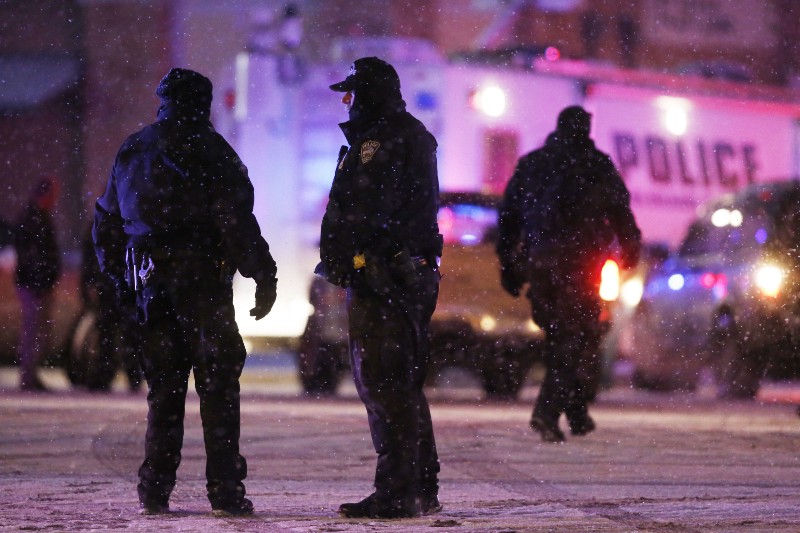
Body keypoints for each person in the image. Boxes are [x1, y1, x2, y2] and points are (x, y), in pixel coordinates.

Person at [93, 68, 278, 517]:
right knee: (218, 392)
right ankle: (226, 492)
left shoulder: (134, 149)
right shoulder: (214, 152)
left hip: (151, 290)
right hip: (204, 291)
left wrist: (118, 280)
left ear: (163, 100)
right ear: (204, 103)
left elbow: (106, 222)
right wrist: (262, 273)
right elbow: (236, 222)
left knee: (165, 392)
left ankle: (154, 490)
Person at [319, 57, 444, 518]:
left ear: (369, 94)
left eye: (352, 94)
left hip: (386, 277)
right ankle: (419, 486)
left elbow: (374, 211)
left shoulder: (386, 139)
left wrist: (361, 255)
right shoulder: (397, 136)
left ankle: (398, 491)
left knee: (385, 382)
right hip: (390, 273)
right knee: (401, 384)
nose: (347, 103)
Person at [496, 105, 641, 442]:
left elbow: (509, 219)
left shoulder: (533, 165)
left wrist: (509, 264)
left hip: (542, 267)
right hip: (580, 266)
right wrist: (631, 252)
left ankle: (575, 413)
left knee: (563, 338)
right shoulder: (596, 166)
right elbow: (621, 214)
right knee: (576, 339)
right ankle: (547, 414)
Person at [79, 225, 142, 392]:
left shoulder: (102, 226)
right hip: (120, 285)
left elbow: (91, 258)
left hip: (110, 286)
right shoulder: (126, 223)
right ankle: (130, 373)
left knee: (109, 332)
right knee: (124, 333)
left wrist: (90, 283)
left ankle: (107, 372)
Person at [14, 177, 61, 392]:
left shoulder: (36, 218)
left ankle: (30, 374)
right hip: (34, 285)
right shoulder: (34, 219)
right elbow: (32, 255)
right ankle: (28, 375)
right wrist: (40, 280)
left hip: (36, 283)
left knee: (35, 331)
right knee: (33, 330)